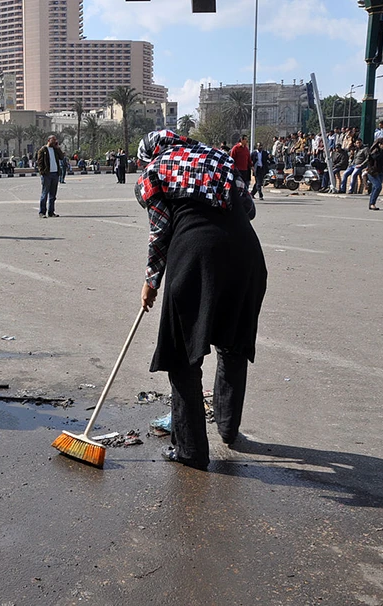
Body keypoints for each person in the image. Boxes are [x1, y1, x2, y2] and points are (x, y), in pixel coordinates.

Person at [135, 130, 267, 470]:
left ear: (150, 153)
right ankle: (227, 428)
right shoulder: (219, 158)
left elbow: (160, 231)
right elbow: (248, 209)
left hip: (195, 258)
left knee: (182, 357)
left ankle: (191, 451)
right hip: (246, 258)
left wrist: (151, 281)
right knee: (233, 344)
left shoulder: (155, 171)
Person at [35, 134, 64, 218]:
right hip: (47, 175)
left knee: (53, 195)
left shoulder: (55, 150)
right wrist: (42, 172)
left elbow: (62, 157)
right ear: (48, 140)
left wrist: (58, 148)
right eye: (53, 140)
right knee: (44, 194)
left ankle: (51, 212)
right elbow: (39, 163)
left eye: (55, 140)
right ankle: (42, 212)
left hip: (55, 174)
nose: (55, 141)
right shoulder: (43, 150)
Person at [366, 138, 383, 211]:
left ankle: (371, 204)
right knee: (378, 186)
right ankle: (372, 203)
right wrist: (382, 151)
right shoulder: (374, 152)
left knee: (375, 188)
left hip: (380, 172)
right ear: (379, 144)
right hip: (372, 172)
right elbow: (376, 158)